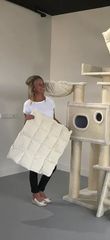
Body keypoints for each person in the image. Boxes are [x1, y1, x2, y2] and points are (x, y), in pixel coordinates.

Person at [23, 75, 59, 207]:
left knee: (52, 166)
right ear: (33, 88)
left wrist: (63, 129)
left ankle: (40, 189)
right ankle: (35, 194)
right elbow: (26, 123)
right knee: (34, 166)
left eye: (43, 84)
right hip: (35, 138)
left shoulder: (50, 102)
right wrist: (28, 120)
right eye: (39, 84)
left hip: (49, 138)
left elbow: (53, 119)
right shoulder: (28, 104)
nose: (43, 86)